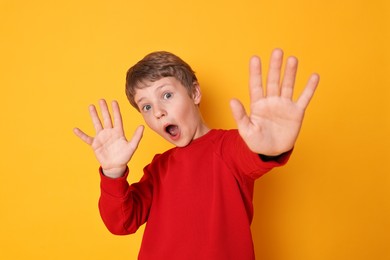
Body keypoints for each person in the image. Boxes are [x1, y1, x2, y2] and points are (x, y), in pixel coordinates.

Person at [73, 48, 319, 259]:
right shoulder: (159, 167)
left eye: (166, 95)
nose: (158, 111)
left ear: (195, 93)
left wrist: (269, 146)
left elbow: (251, 155)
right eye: (146, 106)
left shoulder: (228, 146)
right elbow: (121, 222)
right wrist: (113, 173)